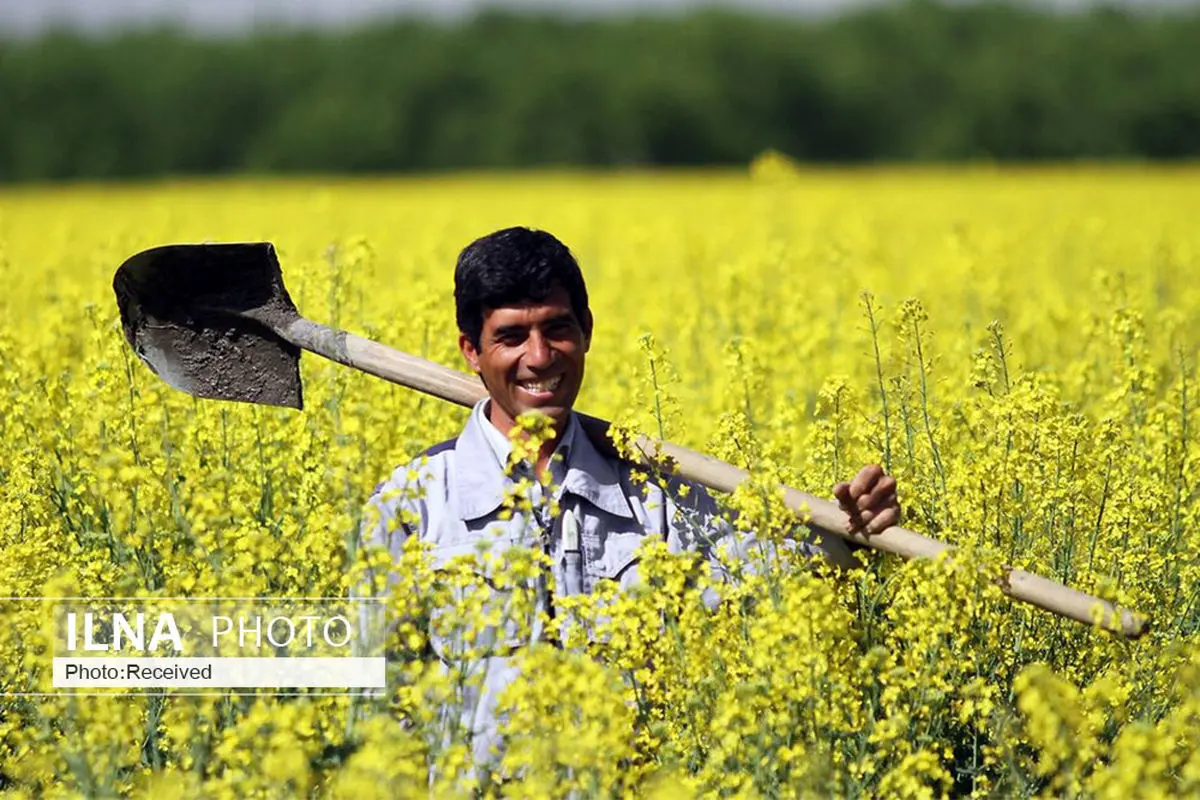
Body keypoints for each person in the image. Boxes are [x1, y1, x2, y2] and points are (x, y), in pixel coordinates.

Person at [359, 226, 901, 762]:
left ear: (587, 331)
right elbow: (361, 693)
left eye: (557, 328)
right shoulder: (415, 503)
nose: (541, 356)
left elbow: (787, 573)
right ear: (471, 351)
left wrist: (853, 528)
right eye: (511, 337)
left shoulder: (656, 497)